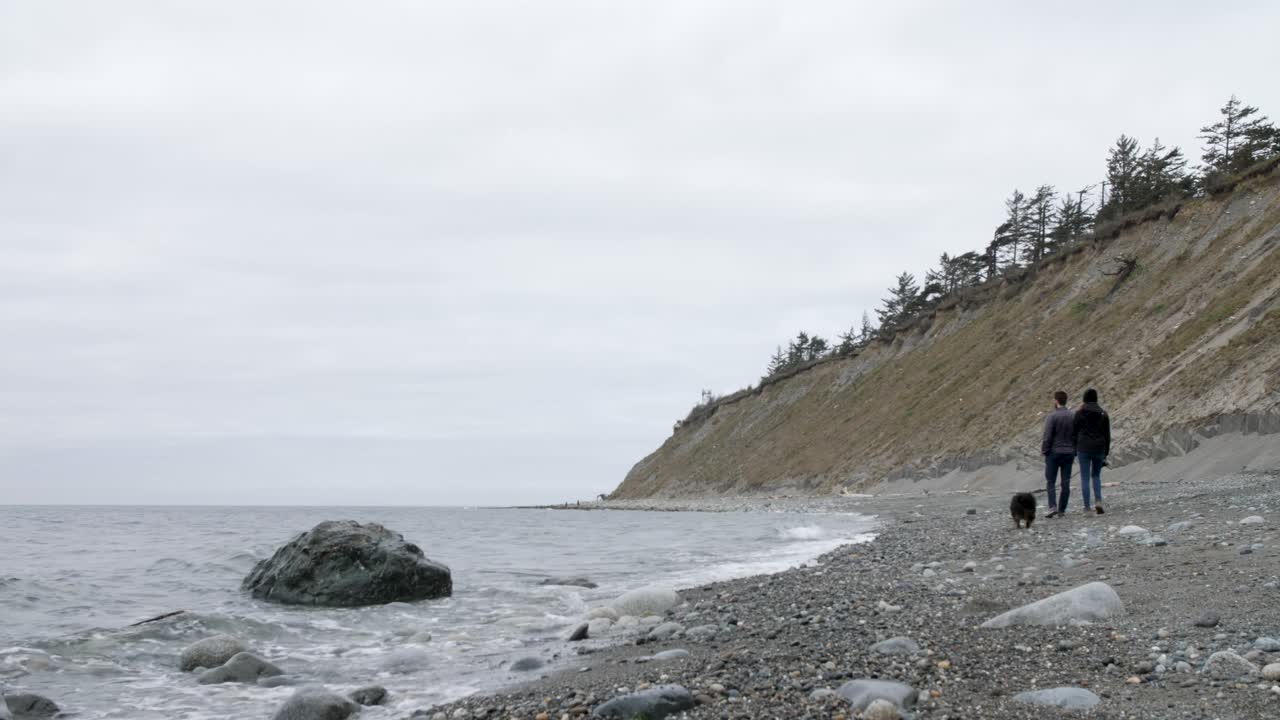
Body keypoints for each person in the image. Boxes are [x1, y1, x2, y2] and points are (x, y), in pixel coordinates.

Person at [1073, 388, 1111, 514]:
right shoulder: (1103, 414)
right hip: (1099, 447)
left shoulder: (1079, 413)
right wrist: (1106, 453)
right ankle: (1098, 501)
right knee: (1096, 476)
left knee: (1084, 478)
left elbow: (1074, 432)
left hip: (1083, 447)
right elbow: (1107, 435)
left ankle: (1087, 507)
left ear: (1084, 399)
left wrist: (1074, 450)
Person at [1041, 390, 1075, 518]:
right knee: (1065, 482)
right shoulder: (1073, 415)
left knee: (1051, 481)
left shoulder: (1052, 416)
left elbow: (1047, 436)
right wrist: (1074, 450)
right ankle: (1062, 509)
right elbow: (1075, 435)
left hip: (1054, 453)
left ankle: (1052, 507)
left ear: (1056, 401)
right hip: (1069, 452)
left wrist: (1045, 450)